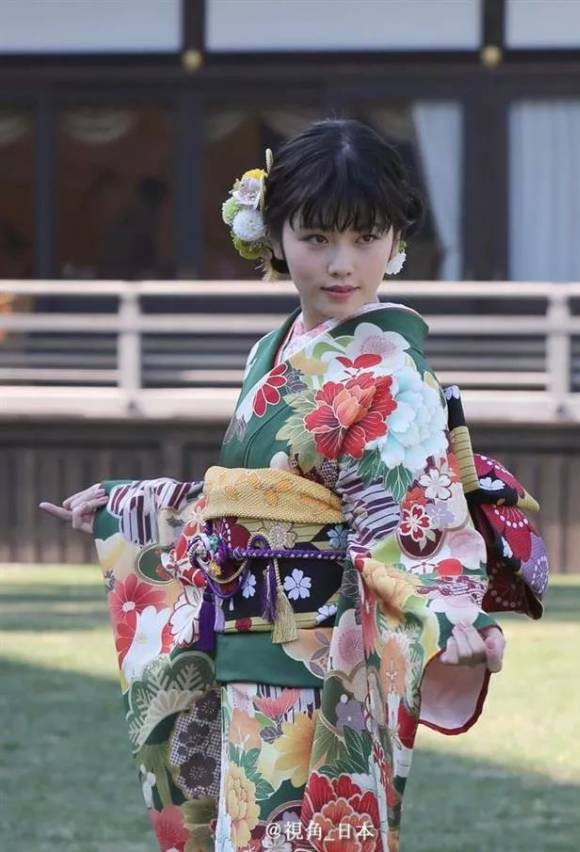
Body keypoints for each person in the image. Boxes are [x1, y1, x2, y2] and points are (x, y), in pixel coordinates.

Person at [41, 119, 518, 851]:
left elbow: (416, 517)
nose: (342, 264)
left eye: (366, 238)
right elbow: (253, 493)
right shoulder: (275, 349)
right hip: (246, 650)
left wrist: (450, 610)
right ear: (275, 234)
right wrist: (136, 503)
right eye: (317, 237)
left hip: (325, 669)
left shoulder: (388, 369)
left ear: (396, 240)